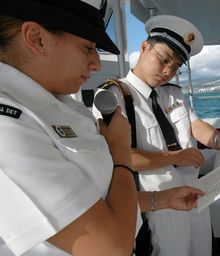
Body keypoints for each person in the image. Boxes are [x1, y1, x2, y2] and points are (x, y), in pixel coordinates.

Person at [0, 1, 205, 255]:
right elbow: (111, 248)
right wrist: (119, 149)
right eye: (88, 48)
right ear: (37, 39)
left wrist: (160, 199)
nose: (96, 63)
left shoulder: (67, 107)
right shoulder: (7, 125)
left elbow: (97, 197)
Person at [93, 15, 220, 256]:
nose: (167, 71)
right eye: (164, 60)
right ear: (144, 48)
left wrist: (219, 141)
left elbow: (194, 124)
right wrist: (175, 157)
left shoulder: (172, 94)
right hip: (157, 206)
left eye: (175, 67)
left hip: (195, 192)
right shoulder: (114, 96)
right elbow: (116, 159)